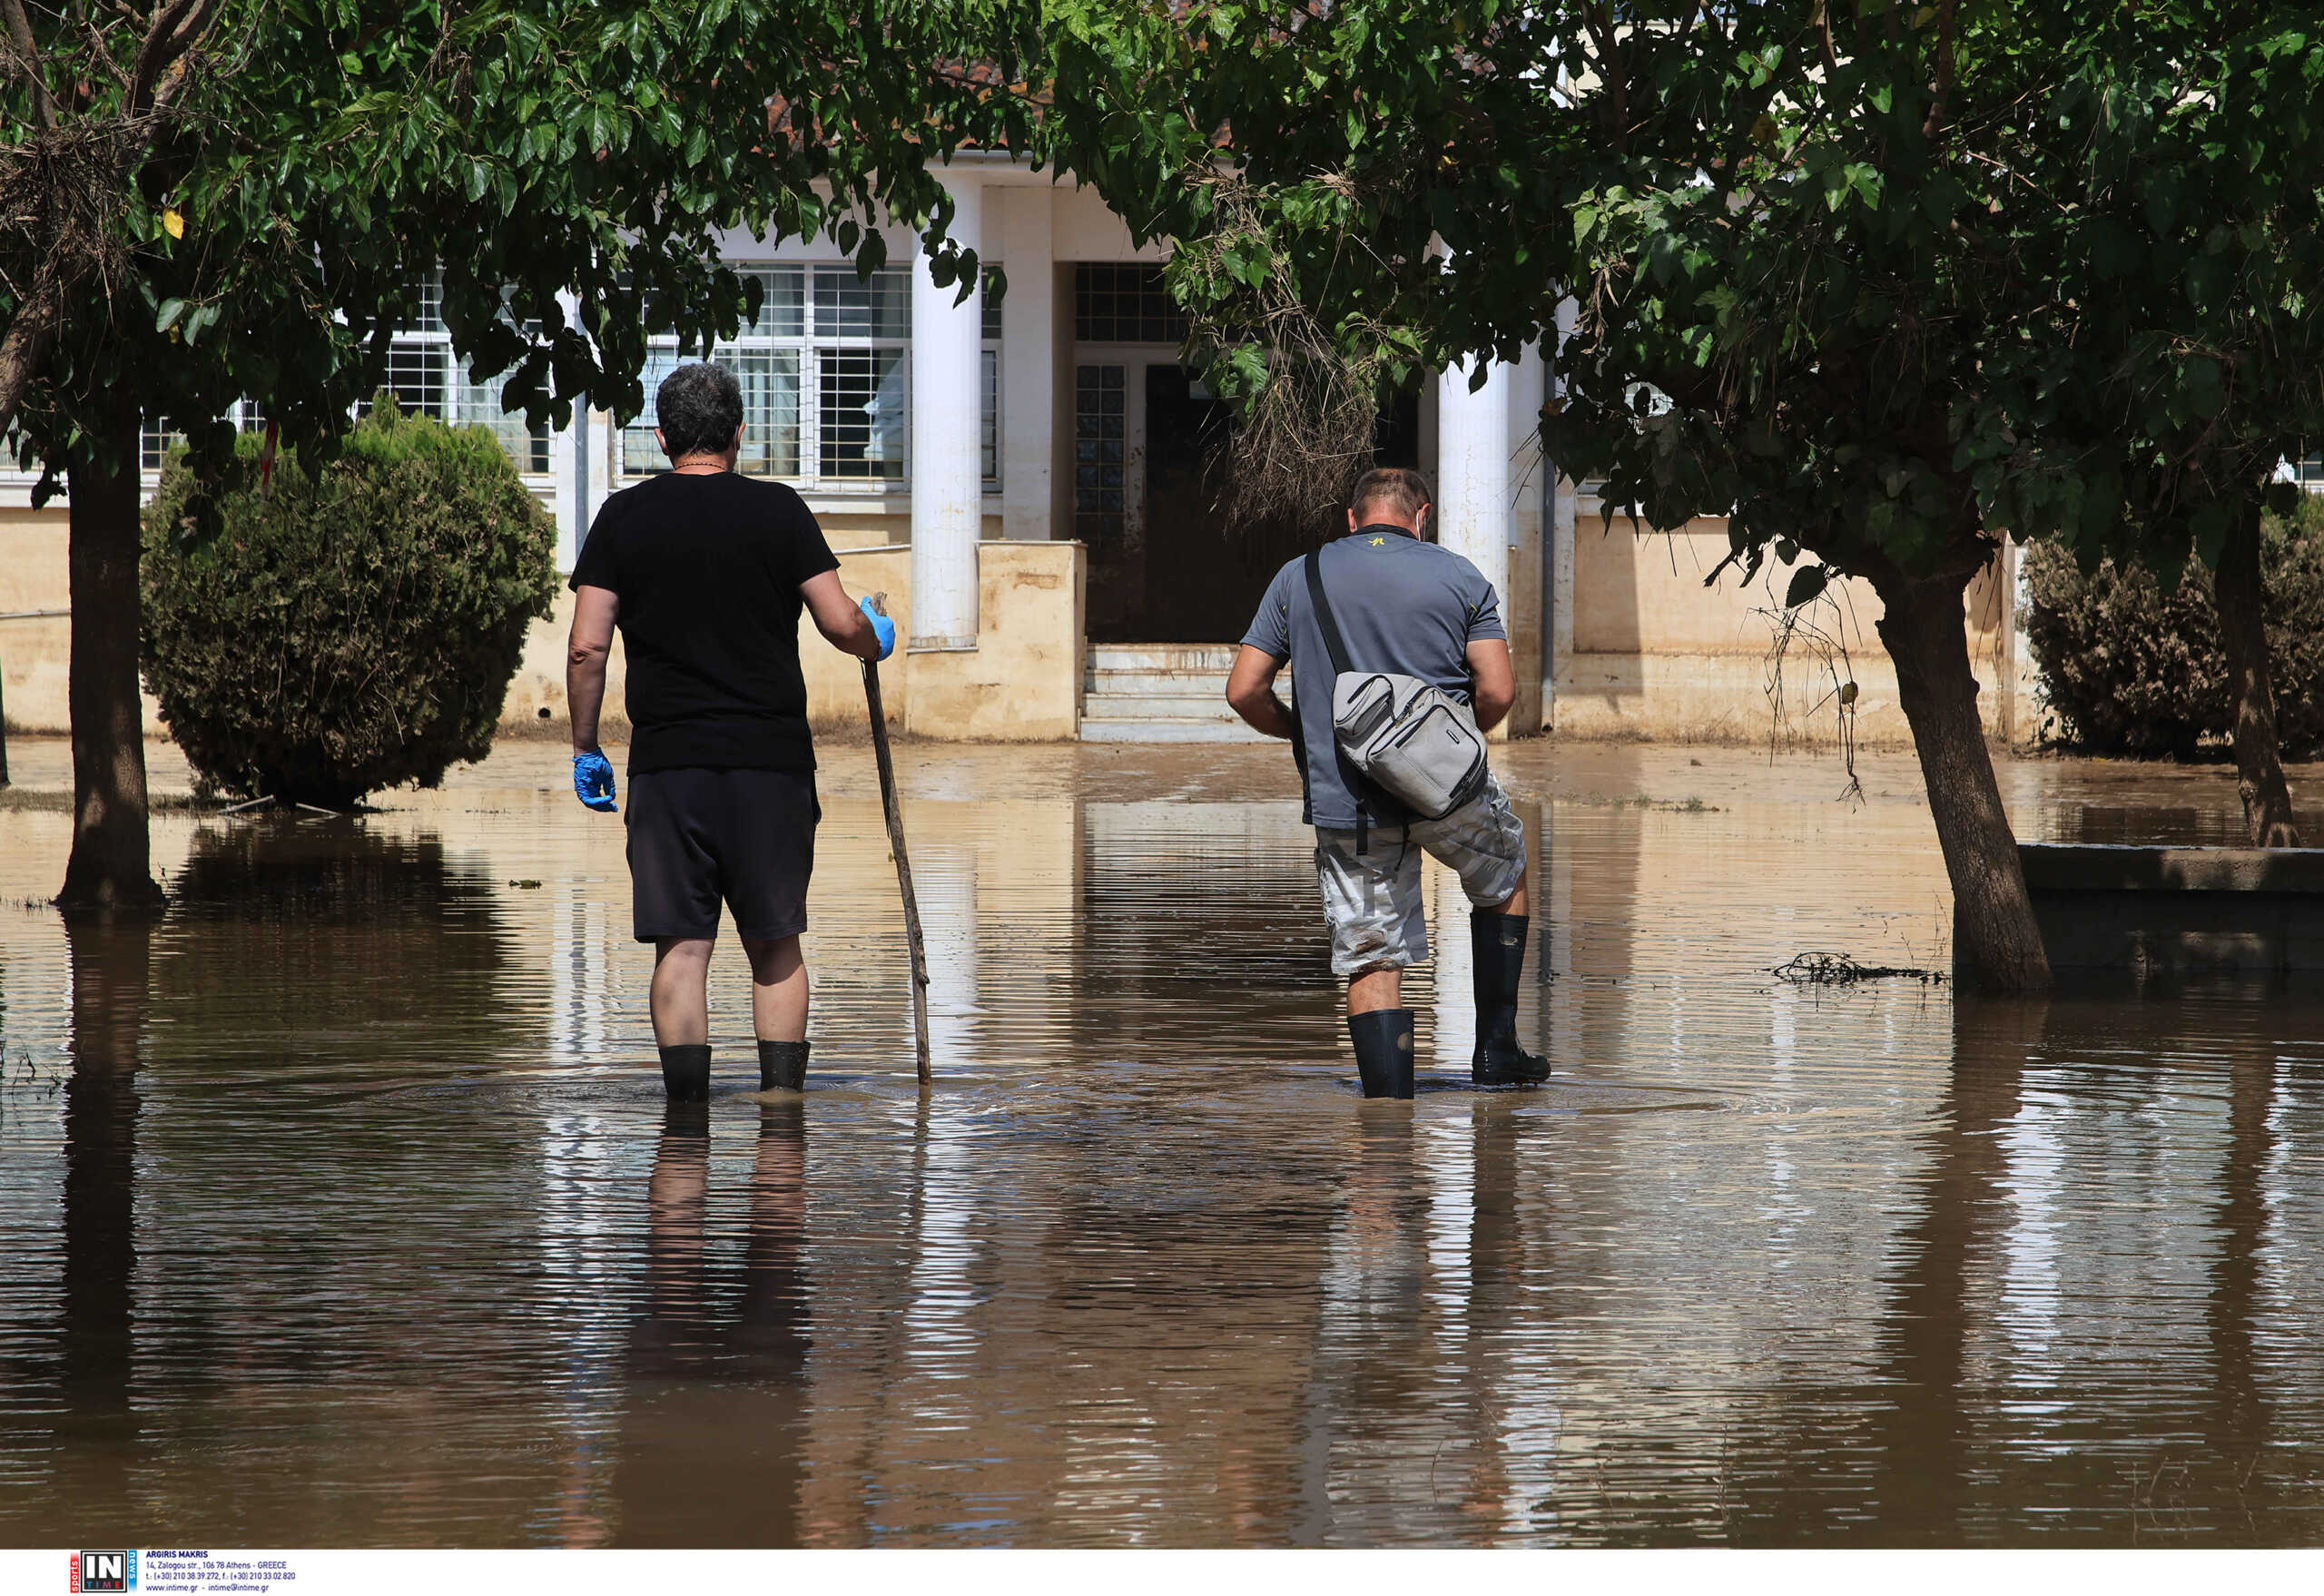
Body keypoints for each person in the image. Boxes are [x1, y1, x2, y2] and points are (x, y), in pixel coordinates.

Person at [565, 361, 895, 1101]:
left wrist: (586, 747)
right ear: (741, 434)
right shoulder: (780, 512)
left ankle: (684, 1134)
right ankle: (782, 1124)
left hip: (669, 767)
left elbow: (587, 645)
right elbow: (841, 622)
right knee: (775, 944)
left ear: (659, 437)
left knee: (681, 948)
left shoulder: (622, 518)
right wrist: (875, 638)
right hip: (770, 768)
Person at [1226, 467, 1550, 1098]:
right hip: (1447, 789)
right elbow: (1499, 690)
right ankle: (1497, 1051)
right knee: (1504, 875)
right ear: (1421, 516)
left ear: (1352, 518)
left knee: (1372, 948)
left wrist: (1304, 733)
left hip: (1347, 798)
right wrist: (1443, 746)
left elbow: (1244, 690)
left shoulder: (1299, 575)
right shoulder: (1459, 576)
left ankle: (1385, 1124)